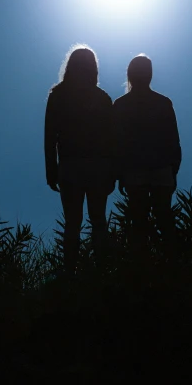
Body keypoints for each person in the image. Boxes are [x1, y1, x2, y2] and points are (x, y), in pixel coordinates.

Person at [44, 45, 115, 271]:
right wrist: (112, 172)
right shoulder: (103, 98)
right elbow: (111, 140)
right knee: (98, 221)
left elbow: (49, 136)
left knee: (72, 224)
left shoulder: (58, 95)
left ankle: (70, 274)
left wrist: (51, 169)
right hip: (97, 168)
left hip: (69, 167)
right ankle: (102, 272)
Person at [112, 54, 181, 252]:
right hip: (161, 169)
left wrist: (119, 174)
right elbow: (173, 140)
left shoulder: (121, 105)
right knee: (165, 219)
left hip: (135, 170)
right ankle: (170, 265)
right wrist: (173, 169)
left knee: (138, 223)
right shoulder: (163, 103)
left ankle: (140, 269)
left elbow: (117, 142)